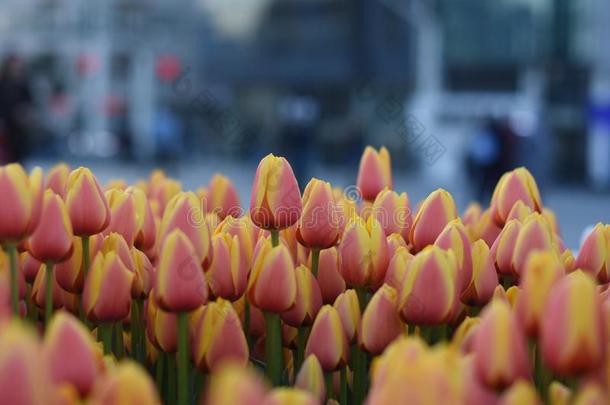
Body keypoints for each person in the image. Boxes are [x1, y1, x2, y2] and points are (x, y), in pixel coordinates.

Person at [0, 54, 34, 163]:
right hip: (6, 127)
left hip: (20, 129)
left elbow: (29, 104)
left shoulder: (24, 85)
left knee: (19, 157)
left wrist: (24, 114)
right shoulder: (3, 84)